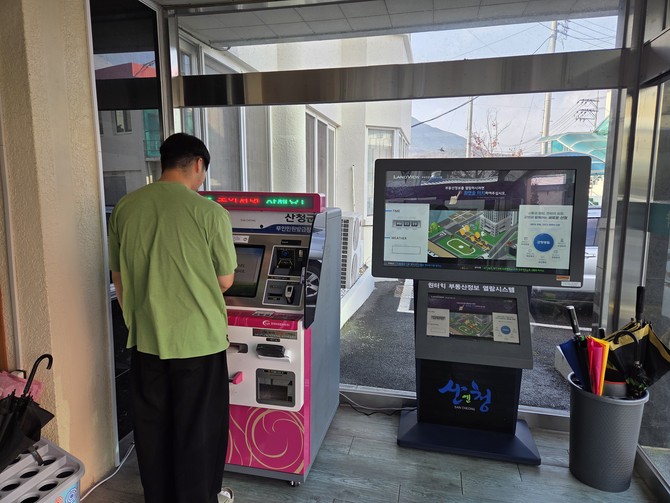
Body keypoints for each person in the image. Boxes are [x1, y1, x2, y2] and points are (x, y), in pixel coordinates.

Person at [108, 133, 238, 503]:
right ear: (197, 164)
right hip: (199, 342)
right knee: (199, 430)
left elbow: (119, 277)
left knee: (153, 428)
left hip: (147, 340)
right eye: (203, 171)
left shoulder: (126, 208)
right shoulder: (210, 212)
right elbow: (225, 280)